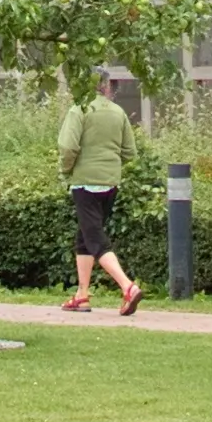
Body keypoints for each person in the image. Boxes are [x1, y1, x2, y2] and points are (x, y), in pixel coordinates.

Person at [56, 68, 149, 319]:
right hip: (110, 184)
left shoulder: (79, 109)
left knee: (95, 239)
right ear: (106, 86)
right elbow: (130, 152)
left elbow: (67, 146)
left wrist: (66, 169)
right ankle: (82, 295)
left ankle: (128, 287)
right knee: (85, 238)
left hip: (85, 182)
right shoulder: (118, 112)